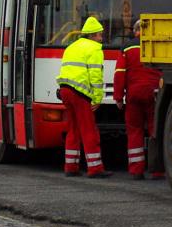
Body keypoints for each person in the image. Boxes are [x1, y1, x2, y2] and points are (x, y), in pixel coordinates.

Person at [57, 16, 110, 178]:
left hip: (65, 90)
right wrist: (97, 98)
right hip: (79, 93)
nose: (101, 38)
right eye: (100, 35)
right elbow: (96, 76)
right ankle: (95, 168)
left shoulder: (71, 46)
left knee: (73, 129)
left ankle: (70, 167)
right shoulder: (94, 48)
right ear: (92, 35)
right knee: (89, 130)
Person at [113, 18, 164, 180]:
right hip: (154, 93)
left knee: (134, 130)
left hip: (134, 94)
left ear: (135, 31)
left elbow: (120, 73)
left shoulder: (127, 47)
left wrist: (118, 97)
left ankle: (136, 170)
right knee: (155, 130)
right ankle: (157, 170)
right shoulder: (158, 45)